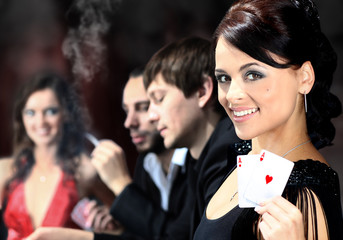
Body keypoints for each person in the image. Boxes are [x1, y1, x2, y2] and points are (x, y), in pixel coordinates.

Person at [193, 0, 343, 239]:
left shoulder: (302, 194)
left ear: (304, 78)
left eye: (253, 74)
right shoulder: (240, 155)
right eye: (224, 78)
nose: (232, 95)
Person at [25, 67, 190, 240]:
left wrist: (120, 183)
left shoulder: (197, 160)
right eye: (127, 111)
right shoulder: (147, 160)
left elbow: (177, 236)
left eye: (143, 107)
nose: (128, 123)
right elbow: (146, 233)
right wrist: (117, 228)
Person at [144, 36, 240, 238]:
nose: (151, 116)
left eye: (159, 99)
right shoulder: (194, 158)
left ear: (202, 91)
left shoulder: (228, 152)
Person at [0, 71, 115, 240]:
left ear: (66, 114)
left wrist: (108, 224)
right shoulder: (6, 169)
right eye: (31, 113)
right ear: (21, 118)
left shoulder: (84, 170)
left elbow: (123, 228)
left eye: (51, 111)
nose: (40, 122)